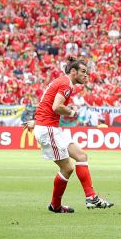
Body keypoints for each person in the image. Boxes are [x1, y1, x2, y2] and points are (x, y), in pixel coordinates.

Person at [23, 57, 113, 212]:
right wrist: (72, 111)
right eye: (83, 72)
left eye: (87, 72)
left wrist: (37, 122)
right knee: (67, 169)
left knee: (81, 156)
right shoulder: (66, 84)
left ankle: (90, 198)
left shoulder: (61, 82)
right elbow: (56, 106)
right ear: (73, 71)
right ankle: (56, 205)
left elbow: (47, 105)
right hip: (49, 129)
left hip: (50, 127)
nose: (86, 75)